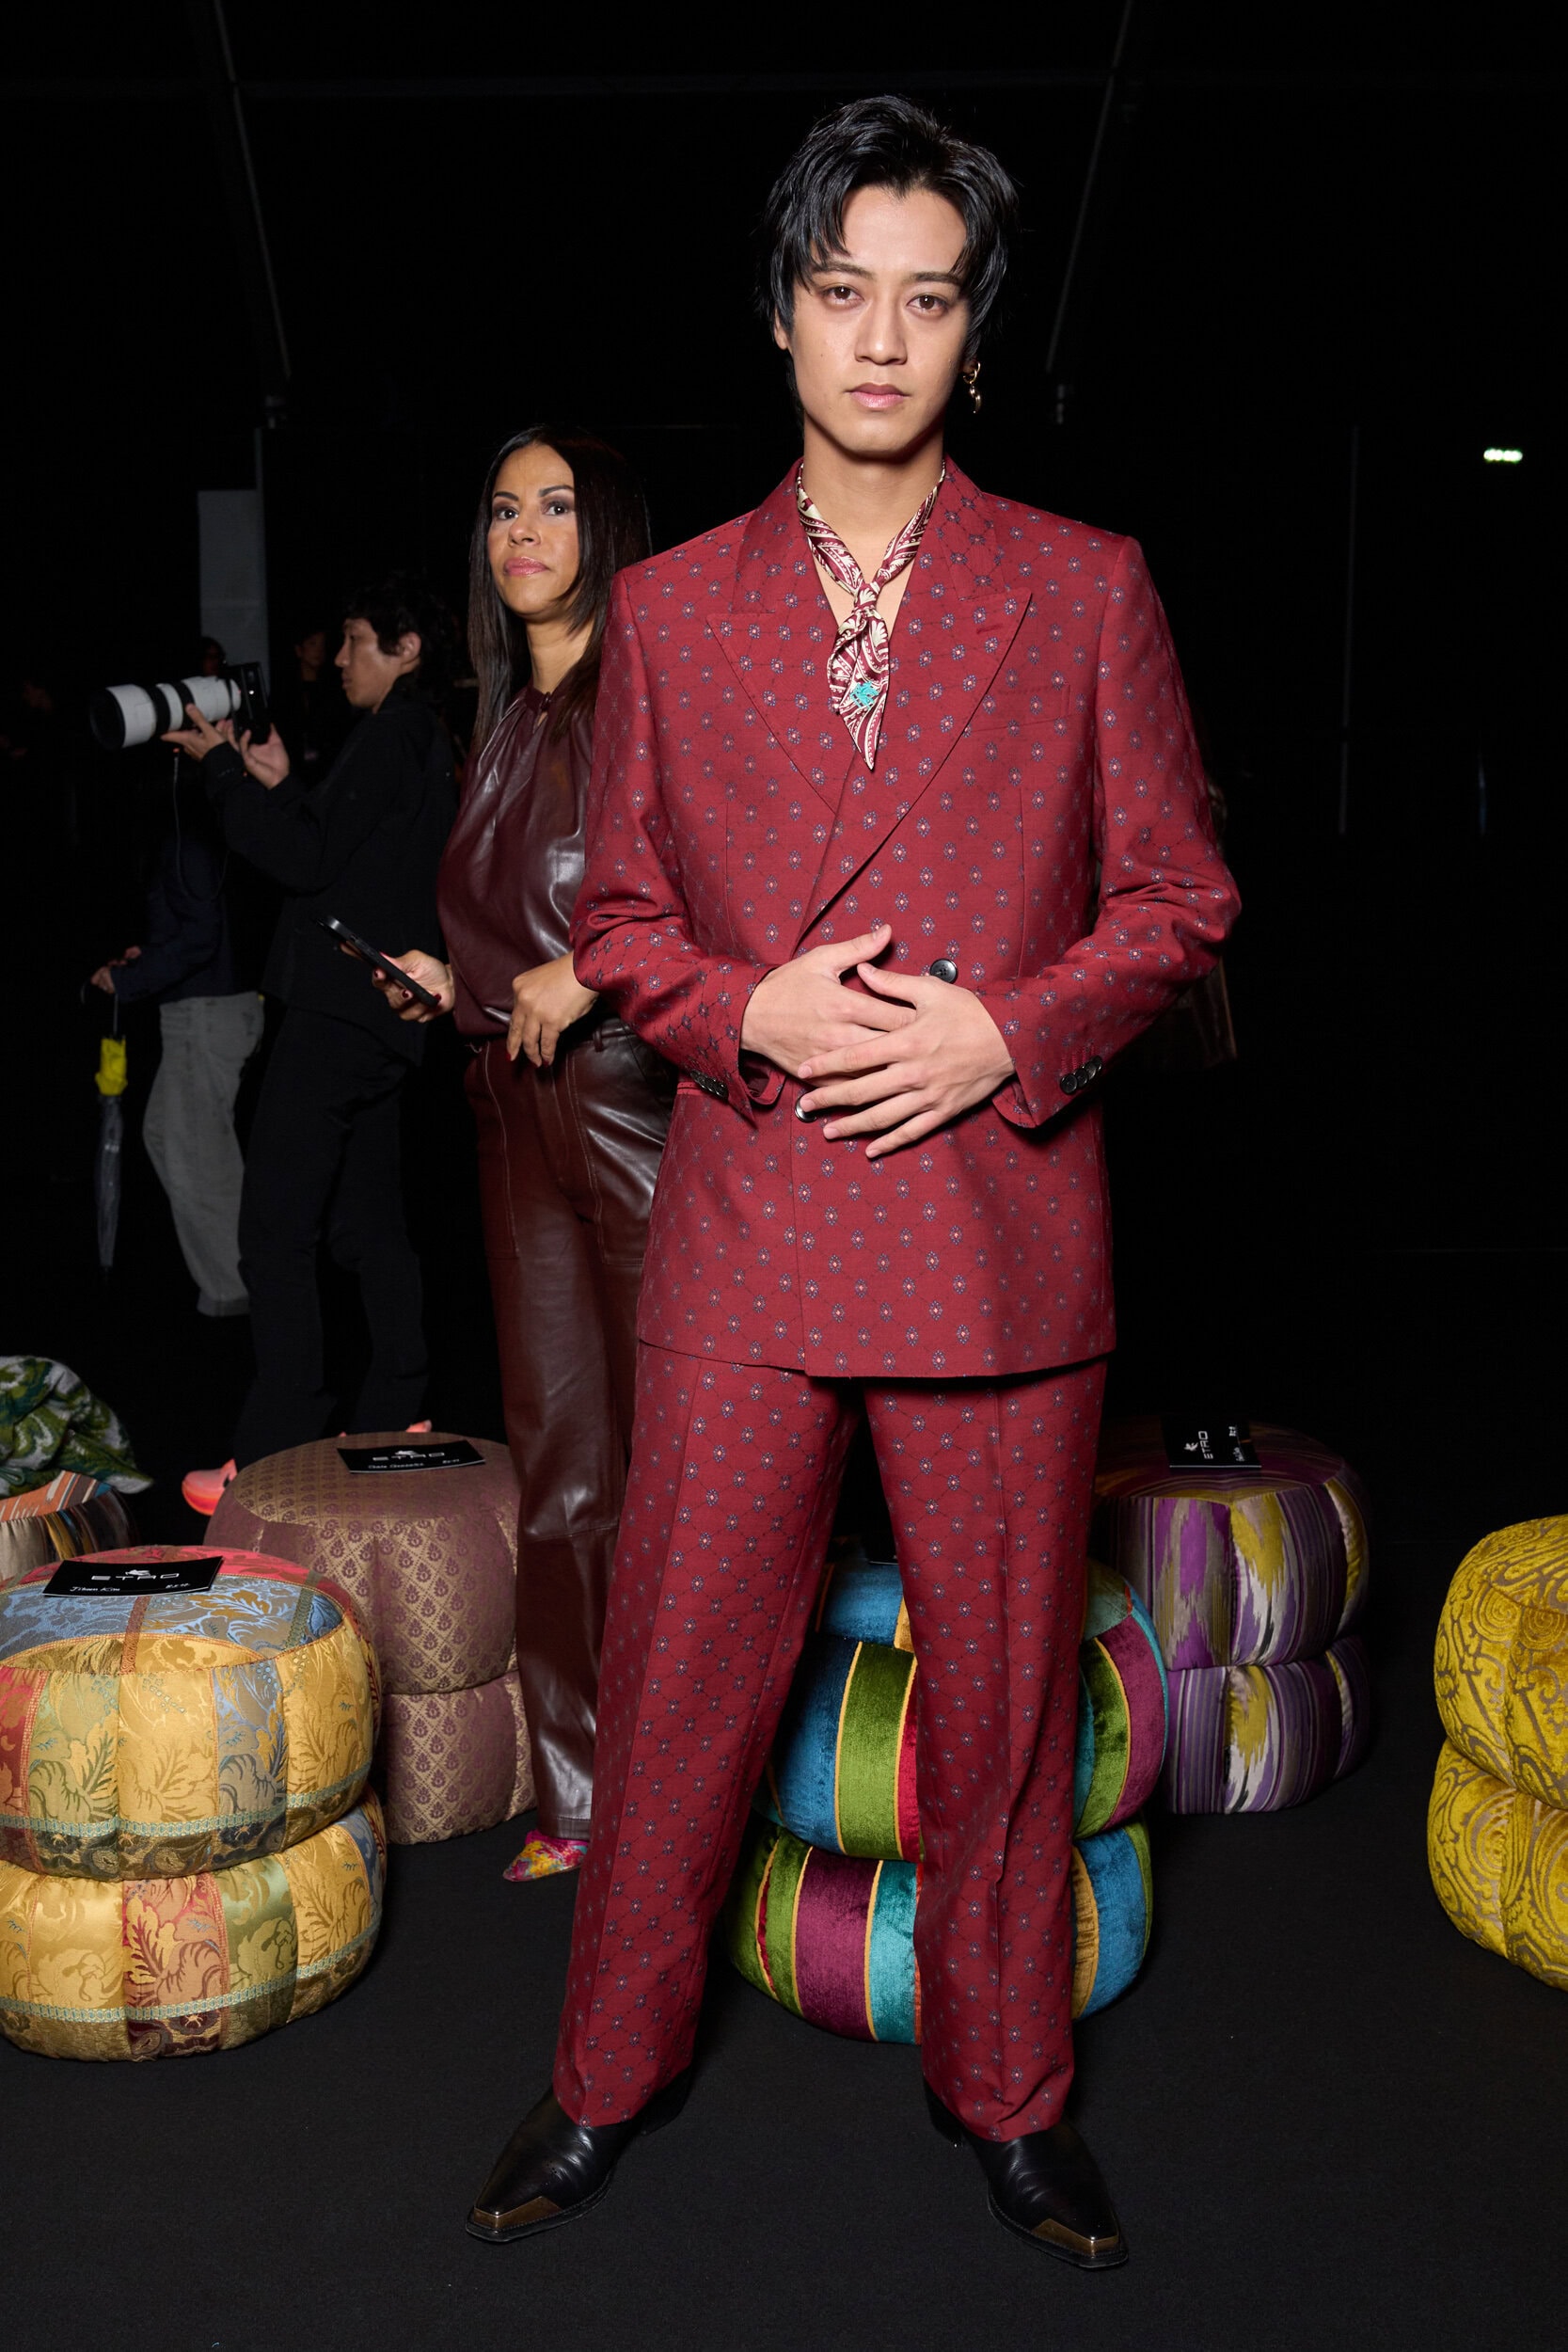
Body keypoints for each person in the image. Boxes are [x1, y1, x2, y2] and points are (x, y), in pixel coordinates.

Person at [467, 97, 1240, 2266]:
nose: (880, 339)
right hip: (753, 1221)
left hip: (998, 1227)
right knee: (679, 1683)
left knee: (1002, 1709)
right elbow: (619, 922)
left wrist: (1010, 1033)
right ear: (780, 316)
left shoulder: (1083, 586)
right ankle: (603, 2072)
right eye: (840, 292)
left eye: (926, 298)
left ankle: (1008, 2092)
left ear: (973, 333)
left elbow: (1178, 901)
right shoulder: (667, 606)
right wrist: (747, 1010)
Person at [370, 427, 672, 1882]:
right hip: (508, 1103)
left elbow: (731, 887)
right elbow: (517, 925)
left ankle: (697, 1795)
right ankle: (581, 1795)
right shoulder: (500, 717)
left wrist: (591, 970)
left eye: (554, 506)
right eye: (501, 510)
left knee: (683, 1463)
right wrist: (453, 983)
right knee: (559, 1466)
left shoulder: (652, 693)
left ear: (607, 527)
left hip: (631, 1103)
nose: (522, 532)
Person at [168, 576, 456, 1510]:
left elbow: (302, 860)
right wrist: (284, 784)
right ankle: (397, 1413)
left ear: (406, 649)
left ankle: (273, 1449)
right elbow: (344, 854)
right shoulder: (416, 736)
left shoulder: (395, 731)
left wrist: (221, 772)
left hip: (339, 1014)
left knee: (274, 1230)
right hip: (377, 1019)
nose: (337, 659)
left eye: (356, 640)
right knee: (369, 1226)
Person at [87, 772, 262, 1315]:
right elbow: (199, 930)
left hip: (207, 1016)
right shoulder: (192, 837)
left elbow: (203, 936)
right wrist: (148, 957)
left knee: (200, 1155)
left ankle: (239, 1289)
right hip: (200, 1011)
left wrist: (130, 980)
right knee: (167, 1135)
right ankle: (239, 1280)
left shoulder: (188, 839)